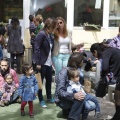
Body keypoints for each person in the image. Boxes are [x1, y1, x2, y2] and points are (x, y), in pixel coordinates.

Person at [55, 52, 96, 120]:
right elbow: (60, 92)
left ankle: (70, 111)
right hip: (62, 100)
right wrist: (73, 95)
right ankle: (72, 117)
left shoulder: (76, 71)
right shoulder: (63, 72)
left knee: (91, 105)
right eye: (82, 61)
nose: (83, 62)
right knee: (80, 98)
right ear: (78, 62)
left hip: (71, 97)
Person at [90, 43, 120, 120]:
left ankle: (117, 117)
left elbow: (105, 68)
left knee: (117, 97)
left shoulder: (105, 53)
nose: (93, 55)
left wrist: (102, 78)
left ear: (96, 51)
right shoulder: (111, 50)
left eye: (93, 53)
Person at [34, 18, 55, 108]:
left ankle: (49, 97)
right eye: (53, 27)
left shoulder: (49, 35)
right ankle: (41, 99)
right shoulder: (41, 34)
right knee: (40, 81)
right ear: (49, 26)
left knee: (49, 80)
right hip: (42, 62)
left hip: (49, 62)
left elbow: (50, 49)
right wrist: (38, 62)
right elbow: (37, 48)